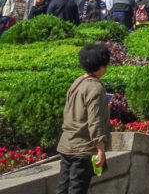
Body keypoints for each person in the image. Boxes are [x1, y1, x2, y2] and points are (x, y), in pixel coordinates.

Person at [55, 43, 112, 194]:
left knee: (63, 187)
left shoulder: (78, 81)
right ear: (100, 66)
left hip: (67, 143)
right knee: (77, 189)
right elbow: (95, 121)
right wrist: (100, 149)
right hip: (83, 148)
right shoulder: (96, 87)